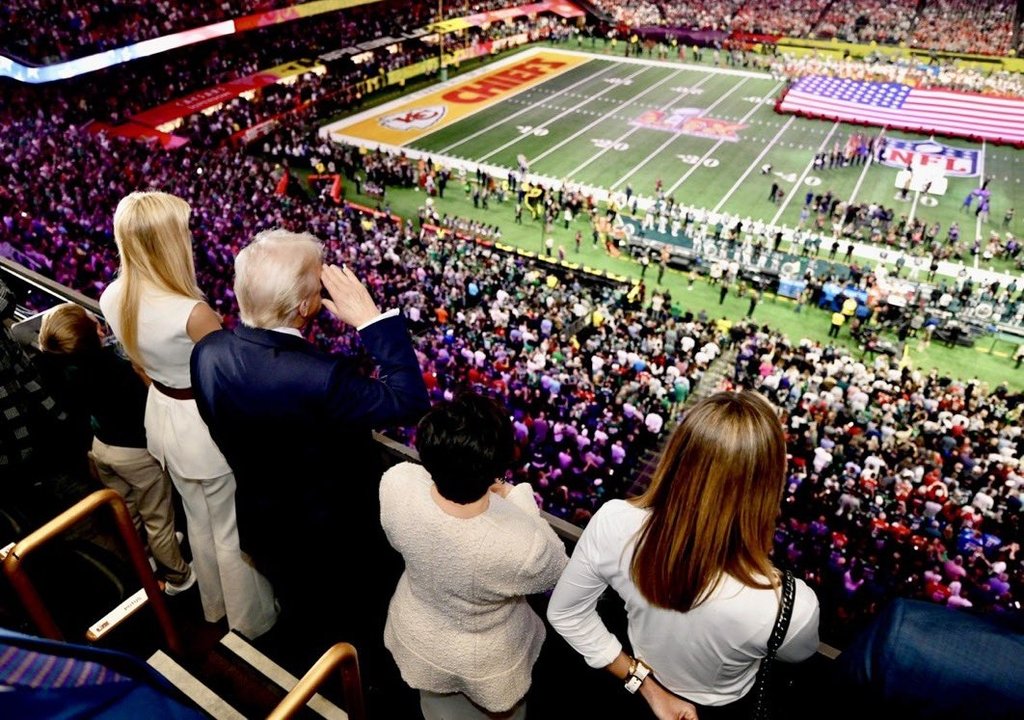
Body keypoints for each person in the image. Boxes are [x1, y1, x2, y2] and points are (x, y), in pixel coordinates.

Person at [190, 229, 429, 662]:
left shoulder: (208, 352)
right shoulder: (321, 377)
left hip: (263, 525)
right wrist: (370, 321)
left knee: (300, 614)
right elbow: (410, 400)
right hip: (334, 540)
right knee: (352, 627)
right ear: (305, 307)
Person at [547, 391, 820, 718]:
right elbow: (798, 654)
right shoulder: (791, 606)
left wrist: (642, 682)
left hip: (625, 680)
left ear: (678, 457)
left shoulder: (615, 523)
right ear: (768, 487)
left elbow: (567, 614)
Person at [99, 191, 277, 640]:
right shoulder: (193, 314)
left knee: (196, 519)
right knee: (228, 531)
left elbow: (139, 365)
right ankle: (250, 622)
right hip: (202, 425)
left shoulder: (111, 295)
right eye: (183, 232)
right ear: (168, 243)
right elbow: (230, 380)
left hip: (162, 413)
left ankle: (214, 607)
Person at [380, 392, 568, 720]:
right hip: (486, 659)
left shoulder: (396, 484)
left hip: (419, 632)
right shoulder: (524, 545)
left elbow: (420, 479)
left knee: (435, 707)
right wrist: (516, 494)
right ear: (498, 466)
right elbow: (556, 569)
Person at [36, 303, 193, 594]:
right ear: (93, 334)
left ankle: (143, 556)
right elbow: (147, 406)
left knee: (127, 512)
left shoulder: (60, 368)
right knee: (158, 517)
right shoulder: (118, 369)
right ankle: (177, 576)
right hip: (134, 453)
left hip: (100, 448)